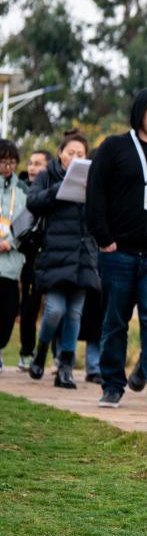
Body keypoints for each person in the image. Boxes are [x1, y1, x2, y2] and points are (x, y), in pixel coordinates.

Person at [87, 88, 147, 410]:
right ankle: (112, 384)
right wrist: (103, 237)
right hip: (118, 252)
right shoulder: (114, 147)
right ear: (140, 111)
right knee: (115, 320)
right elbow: (95, 193)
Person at [27, 130, 101, 388]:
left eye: (81, 154)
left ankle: (65, 366)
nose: (75, 157)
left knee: (74, 314)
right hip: (56, 254)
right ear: (60, 154)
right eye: (71, 153)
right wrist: (61, 188)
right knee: (55, 310)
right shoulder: (48, 175)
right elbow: (32, 202)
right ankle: (42, 348)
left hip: (84, 255)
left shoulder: (93, 178)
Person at [16, 149, 50, 371]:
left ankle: (51, 355)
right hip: (26, 256)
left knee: (54, 309)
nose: (32, 167)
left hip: (50, 256)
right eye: (30, 163)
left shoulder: (53, 191)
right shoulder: (18, 191)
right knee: (28, 307)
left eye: (38, 164)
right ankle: (26, 352)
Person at [0, 139, 29, 372]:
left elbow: (27, 222)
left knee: (8, 312)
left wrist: (10, 242)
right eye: (2, 162)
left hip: (11, 263)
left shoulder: (22, 190)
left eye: (11, 162)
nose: (7, 167)